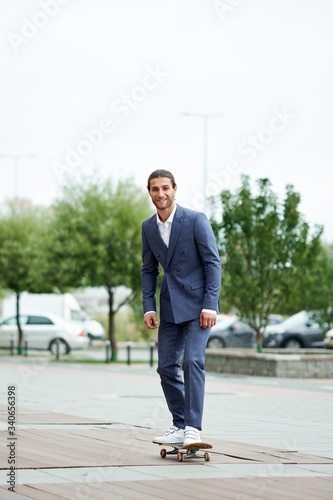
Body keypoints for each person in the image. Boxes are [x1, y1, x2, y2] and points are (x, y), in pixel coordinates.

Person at [141, 169, 221, 446]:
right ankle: (179, 423)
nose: (160, 194)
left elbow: (213, 263)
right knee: (165, 367)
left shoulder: (196, 220)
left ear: (175, 189)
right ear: (149, 192)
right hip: (170, 307)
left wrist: (211, 304)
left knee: (192, 361)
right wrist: (148, 306)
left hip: (200, 308)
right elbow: (148, 270)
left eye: (165, 188)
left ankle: (193, 429)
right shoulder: (148, 227)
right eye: (155, 189)